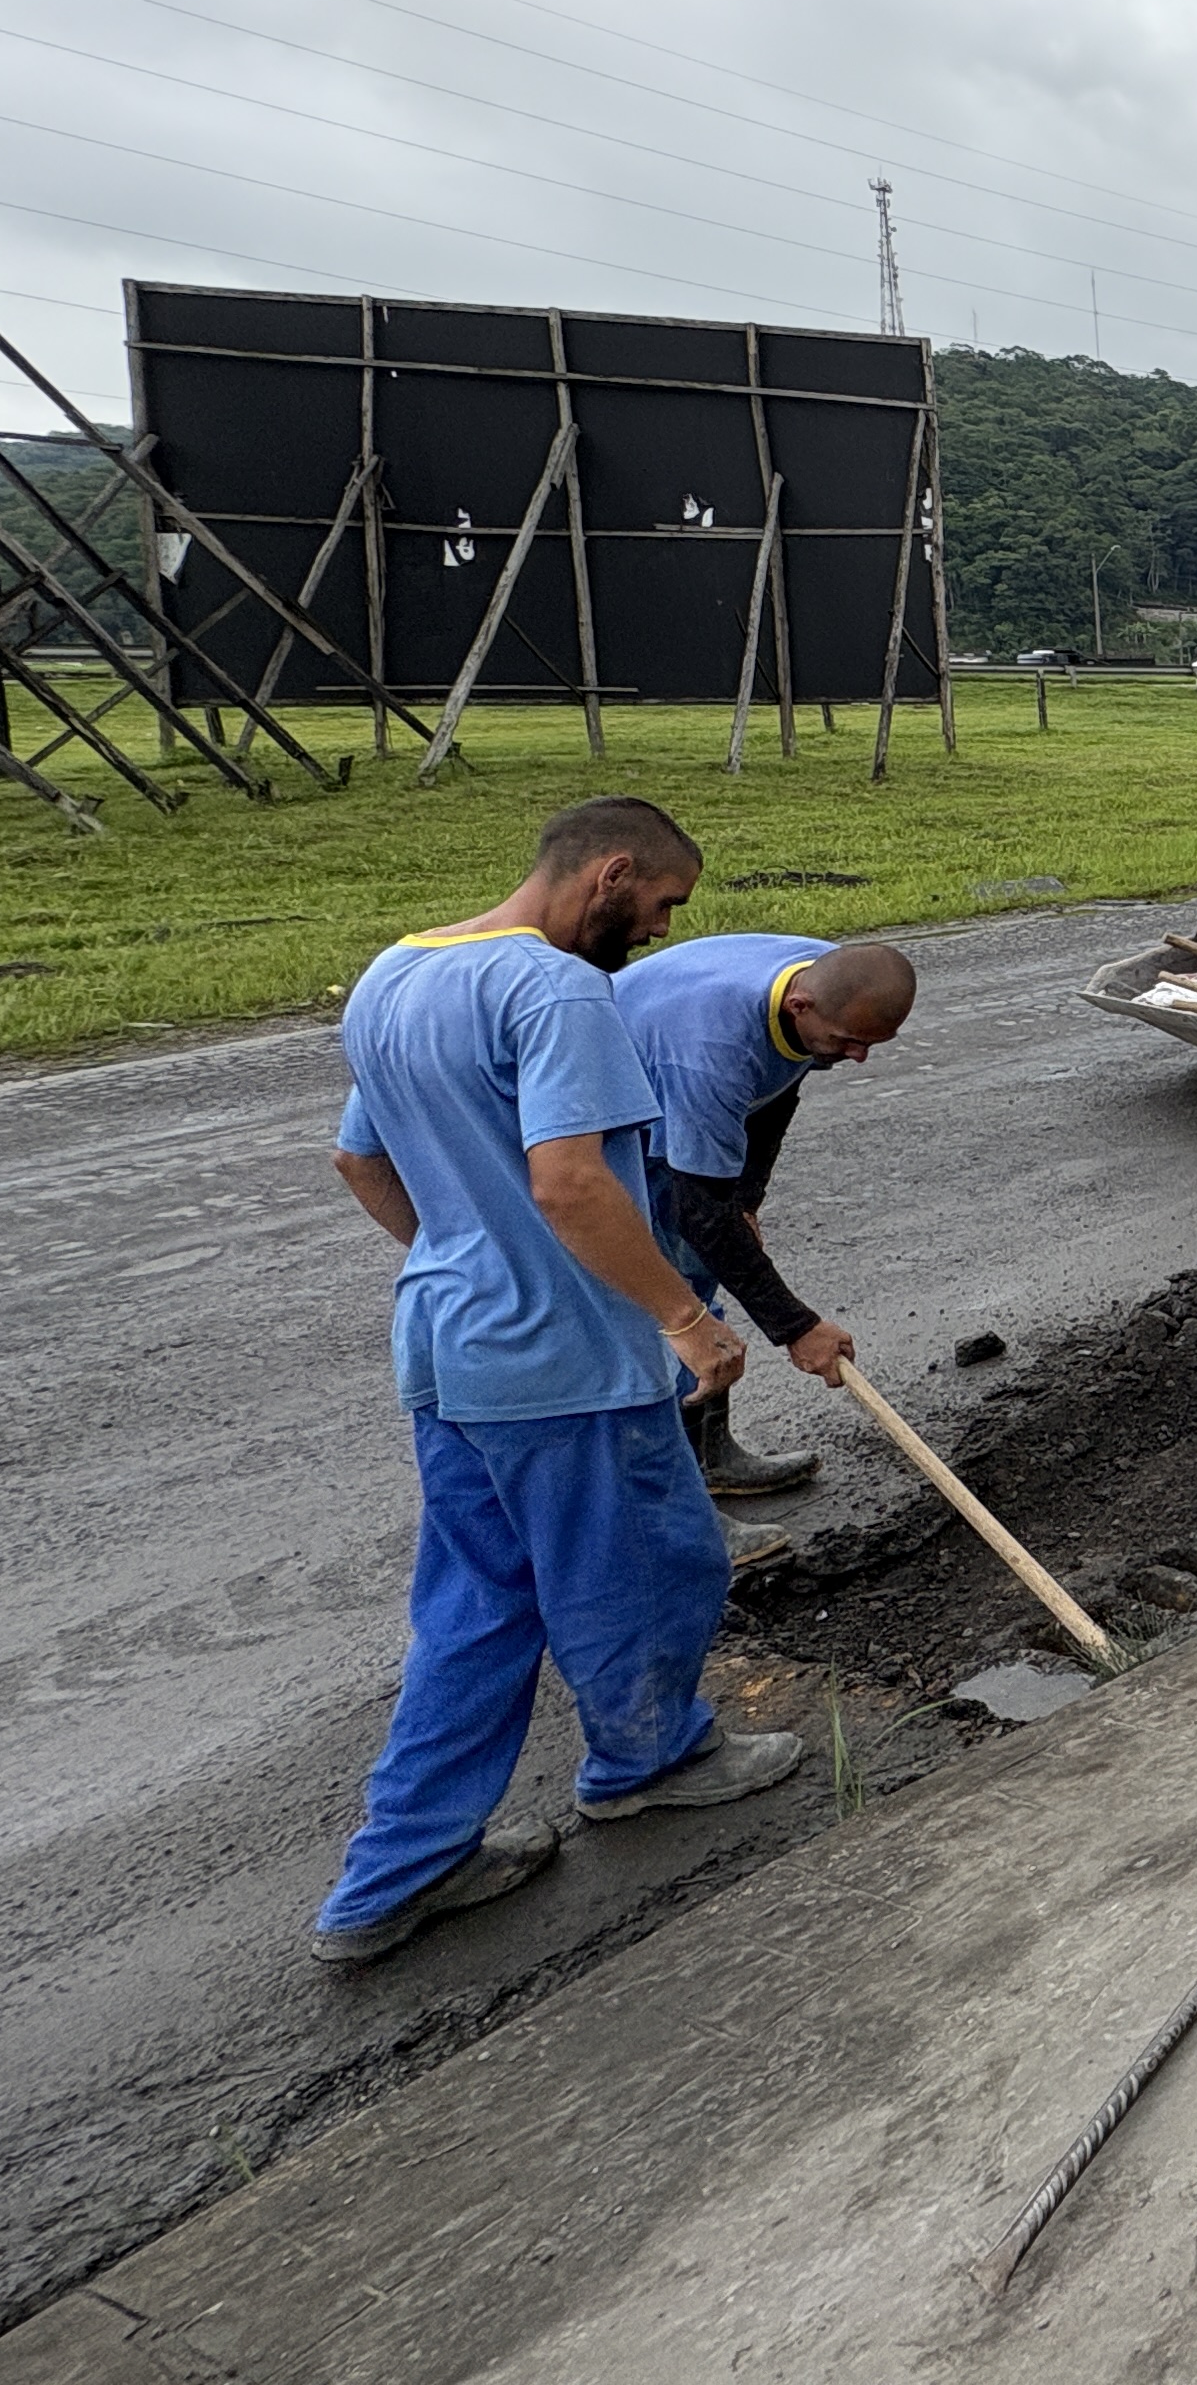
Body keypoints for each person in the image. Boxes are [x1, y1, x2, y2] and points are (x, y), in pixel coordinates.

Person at [311, 796, 804, 1967]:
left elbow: (359, 1158)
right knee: (652, 1563)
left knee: (476, 1607)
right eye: (662, 905)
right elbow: (574, 1185)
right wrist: (685, 1318)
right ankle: (652, 1762)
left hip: (447, 1347)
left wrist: (467, 1254)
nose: (658, 929)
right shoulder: (555, 990)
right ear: (611, 875)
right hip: (563, 1364)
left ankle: (394, 1877)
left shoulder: (396, 973)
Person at [609, 933, 918, 1501]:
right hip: (616, 1114)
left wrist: (745, 1200)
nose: (860, 1057)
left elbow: (778, 1090)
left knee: (701, 1271)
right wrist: (798, 1330)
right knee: (668, 1305)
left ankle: (709, 1457)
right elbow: (699, 1213)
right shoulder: (714, 1054)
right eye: (850, 1042)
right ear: (800, 1005)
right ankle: (675, 1495)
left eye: (873, 1044)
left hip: (678, 1078)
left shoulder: (825, 983)